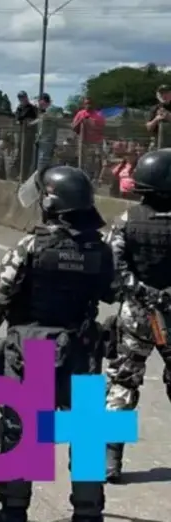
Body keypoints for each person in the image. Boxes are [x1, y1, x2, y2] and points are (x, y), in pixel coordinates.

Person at [0, 165, 117, 522]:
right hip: (80, 349)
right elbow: (113, 290)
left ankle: (14, 510)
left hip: (32, 349)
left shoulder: (31, 245)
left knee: (21, 429)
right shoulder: (100, 250)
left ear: (50, 203)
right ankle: (88, 513)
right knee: (86, 431)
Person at [103, 148, 171, 483]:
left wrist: (142, 292)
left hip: (137, 314)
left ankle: (110, 461)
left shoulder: (127, 220)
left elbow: (114, 268)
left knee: (122, 382)